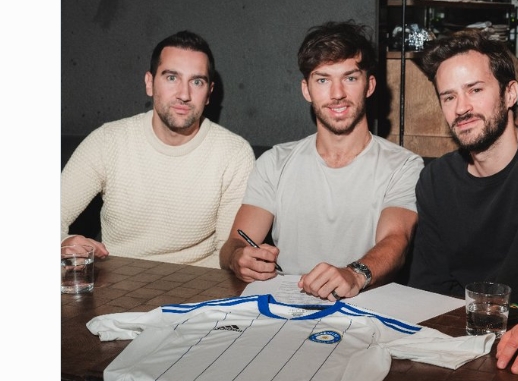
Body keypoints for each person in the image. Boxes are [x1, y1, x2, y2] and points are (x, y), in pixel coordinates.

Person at [407, 29, 518, 381]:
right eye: (449, 96)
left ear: (510, 93)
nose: (461, 108)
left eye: (475, 90)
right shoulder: (435, 180)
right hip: (468, 350)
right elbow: (430, 289)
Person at [220, 21, 424, 300]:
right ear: (306, 90)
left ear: (369, 85)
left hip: (363, 307)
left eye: (350, 78)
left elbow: (396, 240)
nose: (337, 93)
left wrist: (355, 274)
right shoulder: (275, 162)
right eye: (323, 80)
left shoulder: (403, 165)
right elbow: (233, 244)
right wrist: (238, 258)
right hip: (283, 305)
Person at [61, 30, 255, 268]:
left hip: (199, 283)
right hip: (118, 281)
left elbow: (229, 252)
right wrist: (64, 243)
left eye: (197, 82)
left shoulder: (234, 153)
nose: (184, 94)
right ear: (149, 83)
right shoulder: (107, 141)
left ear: (208, 94)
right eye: (172, 78)